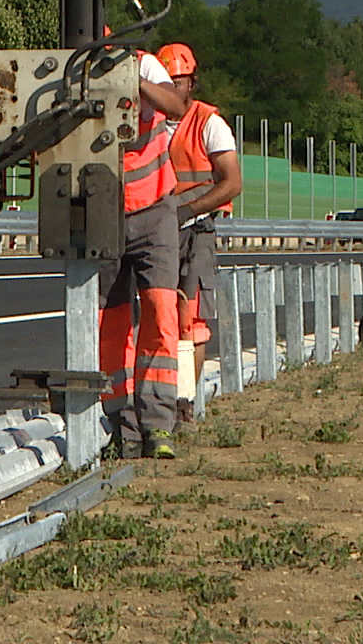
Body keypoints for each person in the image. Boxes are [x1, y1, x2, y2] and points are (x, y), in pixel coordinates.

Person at [99, 43, 189, 461]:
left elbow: (175, 104)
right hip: (104, 213)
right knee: (111, 321)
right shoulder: (68, 74)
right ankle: (120, 426)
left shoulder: (142, 63)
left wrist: (132, 81)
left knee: (159, 311)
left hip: (153, 211)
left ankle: (158, 425)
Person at [156, 43, 242, 424]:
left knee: (191, 320)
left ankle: (184, 405)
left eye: (180, 81)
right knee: (157, 316)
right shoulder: (148, 121)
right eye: (166, 82)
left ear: (192, 82)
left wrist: (187, 211)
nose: (174, 89)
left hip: (195, 230)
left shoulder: (208, 123)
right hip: (152, 230)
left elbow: (231, 183)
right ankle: (155, 398)